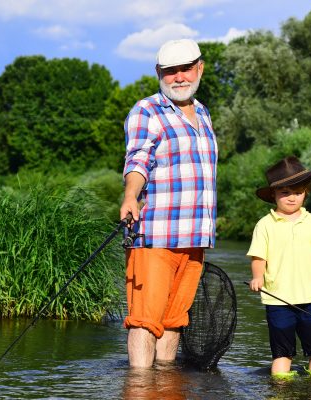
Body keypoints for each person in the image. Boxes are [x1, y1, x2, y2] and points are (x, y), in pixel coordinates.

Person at [119, 38, 218, 368]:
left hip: (194, 239)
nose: (179, 77)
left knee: (175, 321)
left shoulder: (203, 113)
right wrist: (131, 195)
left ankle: (162, 387)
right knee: (145, 321)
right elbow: (138, 159)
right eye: (170, 71)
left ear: (199, 68)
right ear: (158, 73)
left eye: (185, 69)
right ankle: (139, 387)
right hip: (155, 236)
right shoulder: (147, 111)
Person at [247, 156, 311, 378]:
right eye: (285, 193)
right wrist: (257, 277)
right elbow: (258, 258)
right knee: (282, 355)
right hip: (278, 301)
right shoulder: (264, 225)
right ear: (274, 194)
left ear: (306, 192)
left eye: (298, 192)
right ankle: (280, 389)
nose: (292, 198)